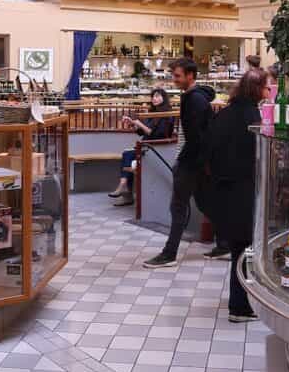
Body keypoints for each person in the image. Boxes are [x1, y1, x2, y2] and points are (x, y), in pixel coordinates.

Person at [202, 68, 269, 322]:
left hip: (222, 189)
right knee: (244, 247)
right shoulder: (252, 117)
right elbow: (257, 155)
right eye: (266, 87)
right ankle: (239, 306)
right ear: (256, 89)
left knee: (238, 247)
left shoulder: (226, 113)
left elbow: (209, 151)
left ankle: (241, 300)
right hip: (243, 189)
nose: (268, 92)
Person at [143, 58, 218, 268]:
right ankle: (224, 244)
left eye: (177, 76)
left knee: (178, 206)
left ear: (190, 76)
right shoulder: (196, 98)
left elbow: (196, 138)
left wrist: (183, 161)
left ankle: (169, 254)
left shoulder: (194, 100)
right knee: (205, 203)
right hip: (199, 161)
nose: (174, 80)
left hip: (191, 162)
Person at [109, 88, 173, 206]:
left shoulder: (167, 114)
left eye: (158, 96)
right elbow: (142, 132)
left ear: (164, 98)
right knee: (127, 156)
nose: (154, 98)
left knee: (127, 155)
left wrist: (139, 123)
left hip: (155, 147)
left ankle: (124, 189)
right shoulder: (153, 113)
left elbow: (154, 134)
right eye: (153, 96)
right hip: (146, 145)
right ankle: (124, 190)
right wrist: (133, 124)